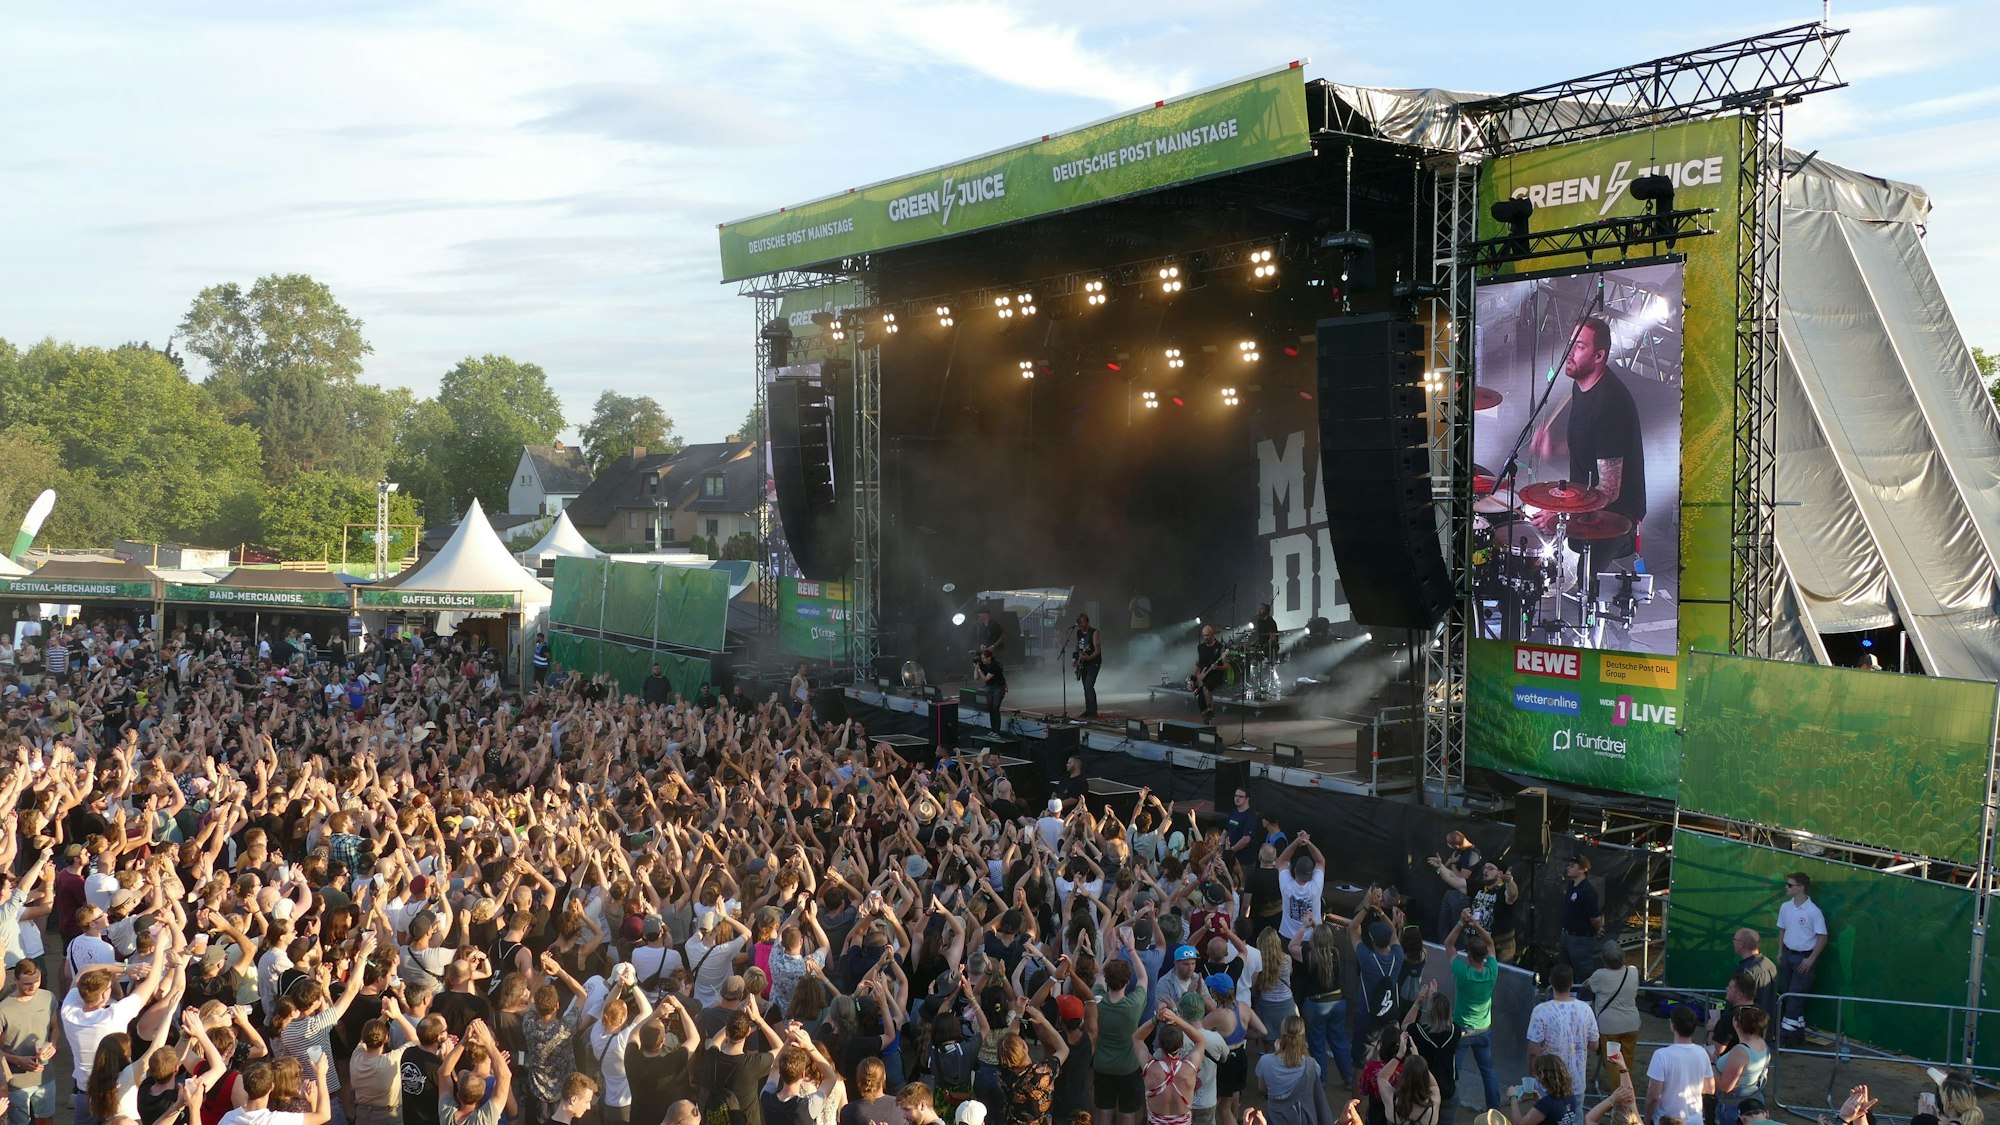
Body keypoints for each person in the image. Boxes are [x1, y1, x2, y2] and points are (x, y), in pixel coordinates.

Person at [1532, 316, 1647, 566]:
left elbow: (1609, 491)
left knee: (1580, 585)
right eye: (1570, 343)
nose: (1570, 353)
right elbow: (1591, 447)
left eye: (1580, 346)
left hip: (1614, 514)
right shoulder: (1580, 387)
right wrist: (1554, 449)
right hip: (1586, 503)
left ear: (1599, 356)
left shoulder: (1609, 405)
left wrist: (1560, 514)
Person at [1445, 910, 1500, 1116]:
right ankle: (1494, 1113)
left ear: (1468, 955)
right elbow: (1491, 942)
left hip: (1462, 1032)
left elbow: (1449, 945)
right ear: (1484, 955)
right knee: (1488, 1072)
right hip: (1483, 1031)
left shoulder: (1463, 973)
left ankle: (1446, 1108)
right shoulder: (1492, 971)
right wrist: (1476, 925)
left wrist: (1461, 922)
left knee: (1453, 1073)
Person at [1525, 966, 1595, 1118]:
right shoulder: (1586, 1009)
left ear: (1551, 981)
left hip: (1548, 1084)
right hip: (1576, 1083)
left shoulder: (1540, 1011)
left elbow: (1533, 1051)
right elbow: (1594, 1045)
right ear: (1571, 983)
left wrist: (1532, 1076)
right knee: (1574, 1120)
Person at [1776, 872, 1828, 1046]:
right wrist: (1780, 951)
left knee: (1794, 997)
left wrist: (1810, 960)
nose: (1786, 887)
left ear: (1801, 888)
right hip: (1789, 955)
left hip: (1804, 959)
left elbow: (1822, 937)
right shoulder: (1785, 907)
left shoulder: (1814, 911)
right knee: (1789, 994)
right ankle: (1798, 1033)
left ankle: (1784, 1037)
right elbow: (1782, 929)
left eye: (1790, 885)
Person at [1584, 944, 1639, 1096]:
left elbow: (1587, 985)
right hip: (1632, 1024)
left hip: (1609, 1027)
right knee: (1627, 1061)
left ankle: (1620, 1096)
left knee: (1614, 1063)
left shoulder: (1599, 975)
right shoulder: (1633, 971)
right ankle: (1627, 1090)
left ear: (1604, 959)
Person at [1643, 1008, 1712, 1125]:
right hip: (1695, 1120)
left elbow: (1653, 1096)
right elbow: (1709, 1089)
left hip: (1666, 1120)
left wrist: (1645, 1120)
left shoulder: (1661, 1055)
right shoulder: (1702, 1053)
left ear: (1673, 1026)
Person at [1254, 1019, 1327, 1125]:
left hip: (1275, 1119)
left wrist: (1275, 1053)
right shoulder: (1312, 1065)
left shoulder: (1266, 1061)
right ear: (1302, 1038)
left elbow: (1262, 1089)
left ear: (1282, 1036)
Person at [1711, 1007, 1770, 1125]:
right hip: (1754, 1100)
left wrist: (1711, 1063)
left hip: (1734, 1109)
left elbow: (1726, 1087)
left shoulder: (1740, 1051)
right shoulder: (1762, 1043)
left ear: (1737, 1024)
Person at [1558, 857, 1604, 981]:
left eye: (1572, 866)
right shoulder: (1571, 886)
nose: (1568, 868)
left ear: (1582, 870)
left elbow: (1595, 917)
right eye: (1568, 865)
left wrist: (1598, 929)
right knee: (1565, 971)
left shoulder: (1587, 891)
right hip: (1566, 935)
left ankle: (1586, 999)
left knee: (1583, 972)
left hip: (1581, 938)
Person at [1730, 930, 1779, 1029]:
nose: (1733, 942)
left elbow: (1737, 1004)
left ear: (1742, 945)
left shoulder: (1745, 971)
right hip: (1764, 1029)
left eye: (1734, 939)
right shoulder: (1770, 964)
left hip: (1748, 1030)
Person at [1506, 1056, 1575, 1125]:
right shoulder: (1571, 1096)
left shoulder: (1546, 1104)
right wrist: (1540, 1100)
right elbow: (1555, 1114)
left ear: (1542, 1076)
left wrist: (1513, 1098)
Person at [1191, 628, 1226, 725]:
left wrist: (1218, 667)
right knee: (1201, 699)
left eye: (1207, 635)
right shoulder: (1200, 647)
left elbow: (1227, 666)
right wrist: (1193, 678)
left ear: (1212, 634)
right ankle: (1206, 721)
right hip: (1203, 676)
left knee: (1206, 687)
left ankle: (1210, 710)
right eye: (1204, 635)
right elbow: (1197, 664)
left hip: (1216, 675)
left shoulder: (1220, 648)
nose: (1205, 638)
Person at [1072, 615, 1103, 720]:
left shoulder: (1094, 633)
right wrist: (1075, 659)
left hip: (1093, 663)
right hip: (1083, 663)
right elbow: (1077, 646)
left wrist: (1089, 657)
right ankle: (1088, 710)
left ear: (1087, 622)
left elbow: (1098, 649)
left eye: (1083, 622)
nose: (1081, 625)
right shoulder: (1079, 633)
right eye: (1079, 623)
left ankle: (1093, 711)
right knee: (1085, 686)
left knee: (1089, 685)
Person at [973, 647, 1007, 733]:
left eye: (984, 658)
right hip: (989, 687)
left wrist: (979, 669)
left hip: (998, 687)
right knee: (991, 709)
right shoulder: (983, 665)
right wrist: (976, 667)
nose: (983, 660)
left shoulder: (994, 666)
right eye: (982, 658)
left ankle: (997, 732)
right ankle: (993, 730)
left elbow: (985, 679)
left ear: (989, 658)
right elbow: (976, 677)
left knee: (995, 708)